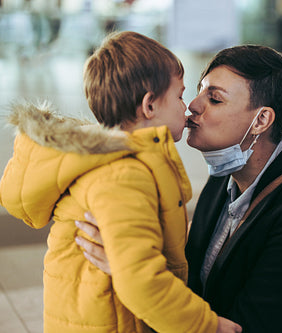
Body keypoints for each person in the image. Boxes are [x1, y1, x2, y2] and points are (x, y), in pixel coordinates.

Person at [76, 44, 282, 332]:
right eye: (199, 91)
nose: (192, 105)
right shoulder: (221, 182)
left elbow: (249, 326)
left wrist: (130, 273)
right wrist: (138, 262)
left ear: (261, 120)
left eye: (214, 99)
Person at [0, 31, 241, 333]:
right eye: (179, 95)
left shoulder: (120, 165)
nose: (187, 106)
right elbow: (140, 277)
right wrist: (206, 325)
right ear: (149, 105)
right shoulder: (123, 176)